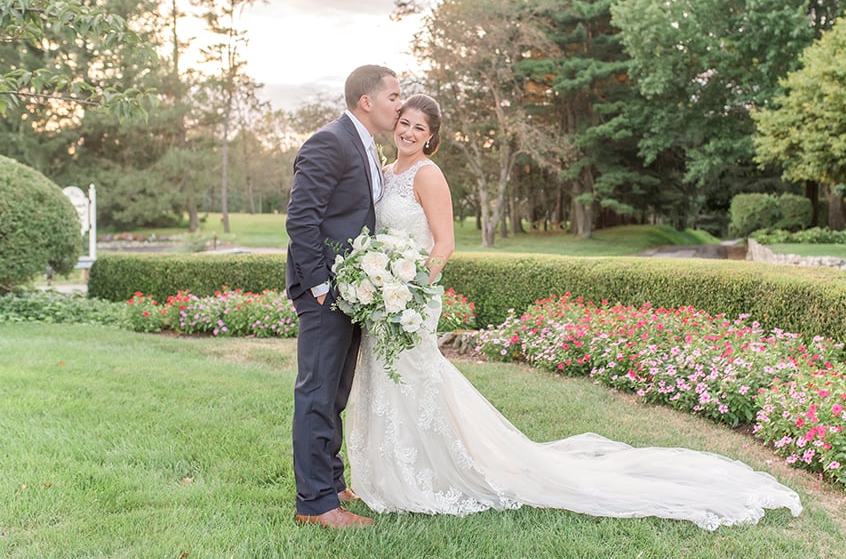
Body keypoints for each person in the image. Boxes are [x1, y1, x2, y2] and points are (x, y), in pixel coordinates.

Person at [343, 94, 803, 528]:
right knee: (383, 380)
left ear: (430, 137)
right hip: (384, 298)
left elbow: (444, 243)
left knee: (418, 380)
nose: (407, 131)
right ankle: (387, 474)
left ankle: (434, 473)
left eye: (417, 128)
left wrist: (415, 285)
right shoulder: (384, 170)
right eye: (403, 122)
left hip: (411, 300)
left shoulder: (428, 174)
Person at [285, 64, 402, 530]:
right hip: (325, 293)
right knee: (316, 393)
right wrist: (319, 287)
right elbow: (301, 218)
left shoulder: (366, 145)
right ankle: (316, 506)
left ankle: (332, 484)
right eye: (394, 95)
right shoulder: (328, 141)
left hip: (352, 291)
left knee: (335, 393)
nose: (400, 103)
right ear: (366, 100)